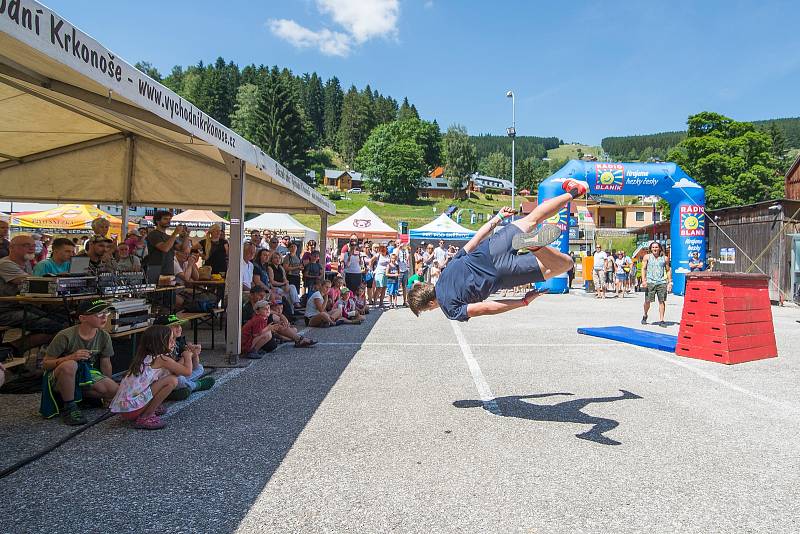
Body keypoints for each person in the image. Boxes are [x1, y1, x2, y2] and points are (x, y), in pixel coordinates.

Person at [407, 179, 585, 321]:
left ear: (430, 303)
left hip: (500, 274)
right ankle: (574, 191)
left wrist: (522, 302)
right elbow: (475, 240)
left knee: (565, 264)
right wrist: (498, 218)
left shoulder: (450, 309)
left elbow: (486, 308)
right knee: (533, 218)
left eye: (428, 309)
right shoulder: (445, 273)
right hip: (490, 248)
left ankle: (535, 246)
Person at [40, 299, 119, 425]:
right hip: (60, 374)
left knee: (114, 390)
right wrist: (70, 357)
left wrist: (107, 395)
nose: (104, 317)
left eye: (106, 313)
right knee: (70, 365)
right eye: (98, 314)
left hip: (86, 373)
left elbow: (106, 363)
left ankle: (79, 396)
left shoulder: (104, 336)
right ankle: (70, 407)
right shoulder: (65, 335)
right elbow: (45, 364)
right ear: (82, 318)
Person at [109, 324, 191, 430]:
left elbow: (177, 371)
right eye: (170, 340)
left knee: (169, 378)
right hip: (132, 409)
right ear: (158, 343)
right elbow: (187, 371)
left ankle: (149, 408)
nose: (173, 343)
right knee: (172, 381)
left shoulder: (145, 356)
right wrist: (188, 356)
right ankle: (145, 417)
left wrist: (186, 356)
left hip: (126, 408)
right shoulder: (161, 359)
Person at [0, 235, 67, 341]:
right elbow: (33, 283)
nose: (32, 248)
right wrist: (57, 278)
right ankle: (14, 347)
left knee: (63, 320)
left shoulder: (26, 263)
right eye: (26, 245)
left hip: (22, 306)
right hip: (6, 311)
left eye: (33, 245)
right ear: (11, 247)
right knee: (54, 326)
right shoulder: (5, 264)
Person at [153, 314, 214, 399]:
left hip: (177, 374)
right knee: (180, 379)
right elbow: (176, 371)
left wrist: (195, 354)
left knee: (200, 368)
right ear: (163, 330)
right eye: (174, 326)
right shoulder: (161, 347)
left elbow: (195, 366)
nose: (179, 327)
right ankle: (195, 385)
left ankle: (178, 390)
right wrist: (186, 356)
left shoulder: (178, 342)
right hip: (164, 380)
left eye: (179, 325)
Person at [146, 210, 187, 276]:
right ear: (157, 221)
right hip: (156, 269)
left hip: (169, 269)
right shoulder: (153, 234)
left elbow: (182, 249)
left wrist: (186, 236)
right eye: (165, 219)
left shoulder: (168, 237)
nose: (168, 221)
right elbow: (165, 248)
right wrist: (175, 233)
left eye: (169, 219)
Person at [641, 241, 672, 327]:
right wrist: (644, 280)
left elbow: (668, 270)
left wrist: (670, 282)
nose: (655, 249)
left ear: (659, 248)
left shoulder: (665, 258)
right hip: (650, 282)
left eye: (656, 247)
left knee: (661, 301)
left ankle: (661, 320)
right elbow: (643, 268)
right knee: (647, 301)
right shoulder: (647, 257)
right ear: (651, 249)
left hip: (661, 282)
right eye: (653, 247)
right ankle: (645, 314)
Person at [396, 242, 411, 306]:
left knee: (405, 287)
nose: (400, 245)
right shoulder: (395, 250)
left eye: (400, 243)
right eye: (398, 243)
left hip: (405, 270)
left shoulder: (405, 250)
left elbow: (407, 258)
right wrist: (398, 249)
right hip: (399, 270)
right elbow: (395, 258)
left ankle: (405, 301)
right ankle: (395, 302)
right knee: (397, 287)